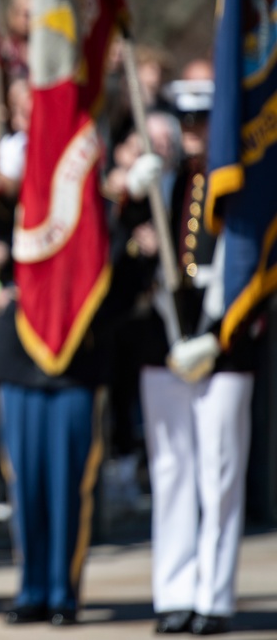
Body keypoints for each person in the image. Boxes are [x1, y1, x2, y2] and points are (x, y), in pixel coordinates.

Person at [123, 63, 257, 636]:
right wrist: (132, 201)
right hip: (164, 341)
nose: (195, 129)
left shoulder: (242, 187)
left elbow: (252, 266)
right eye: (186, 119)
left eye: (204, 118)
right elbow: (134, 263)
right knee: (173, 470)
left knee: (220, 473)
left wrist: (220, 330)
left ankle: (214, 596)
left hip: (223, 344)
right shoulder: (165, 182)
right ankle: (174, 592)